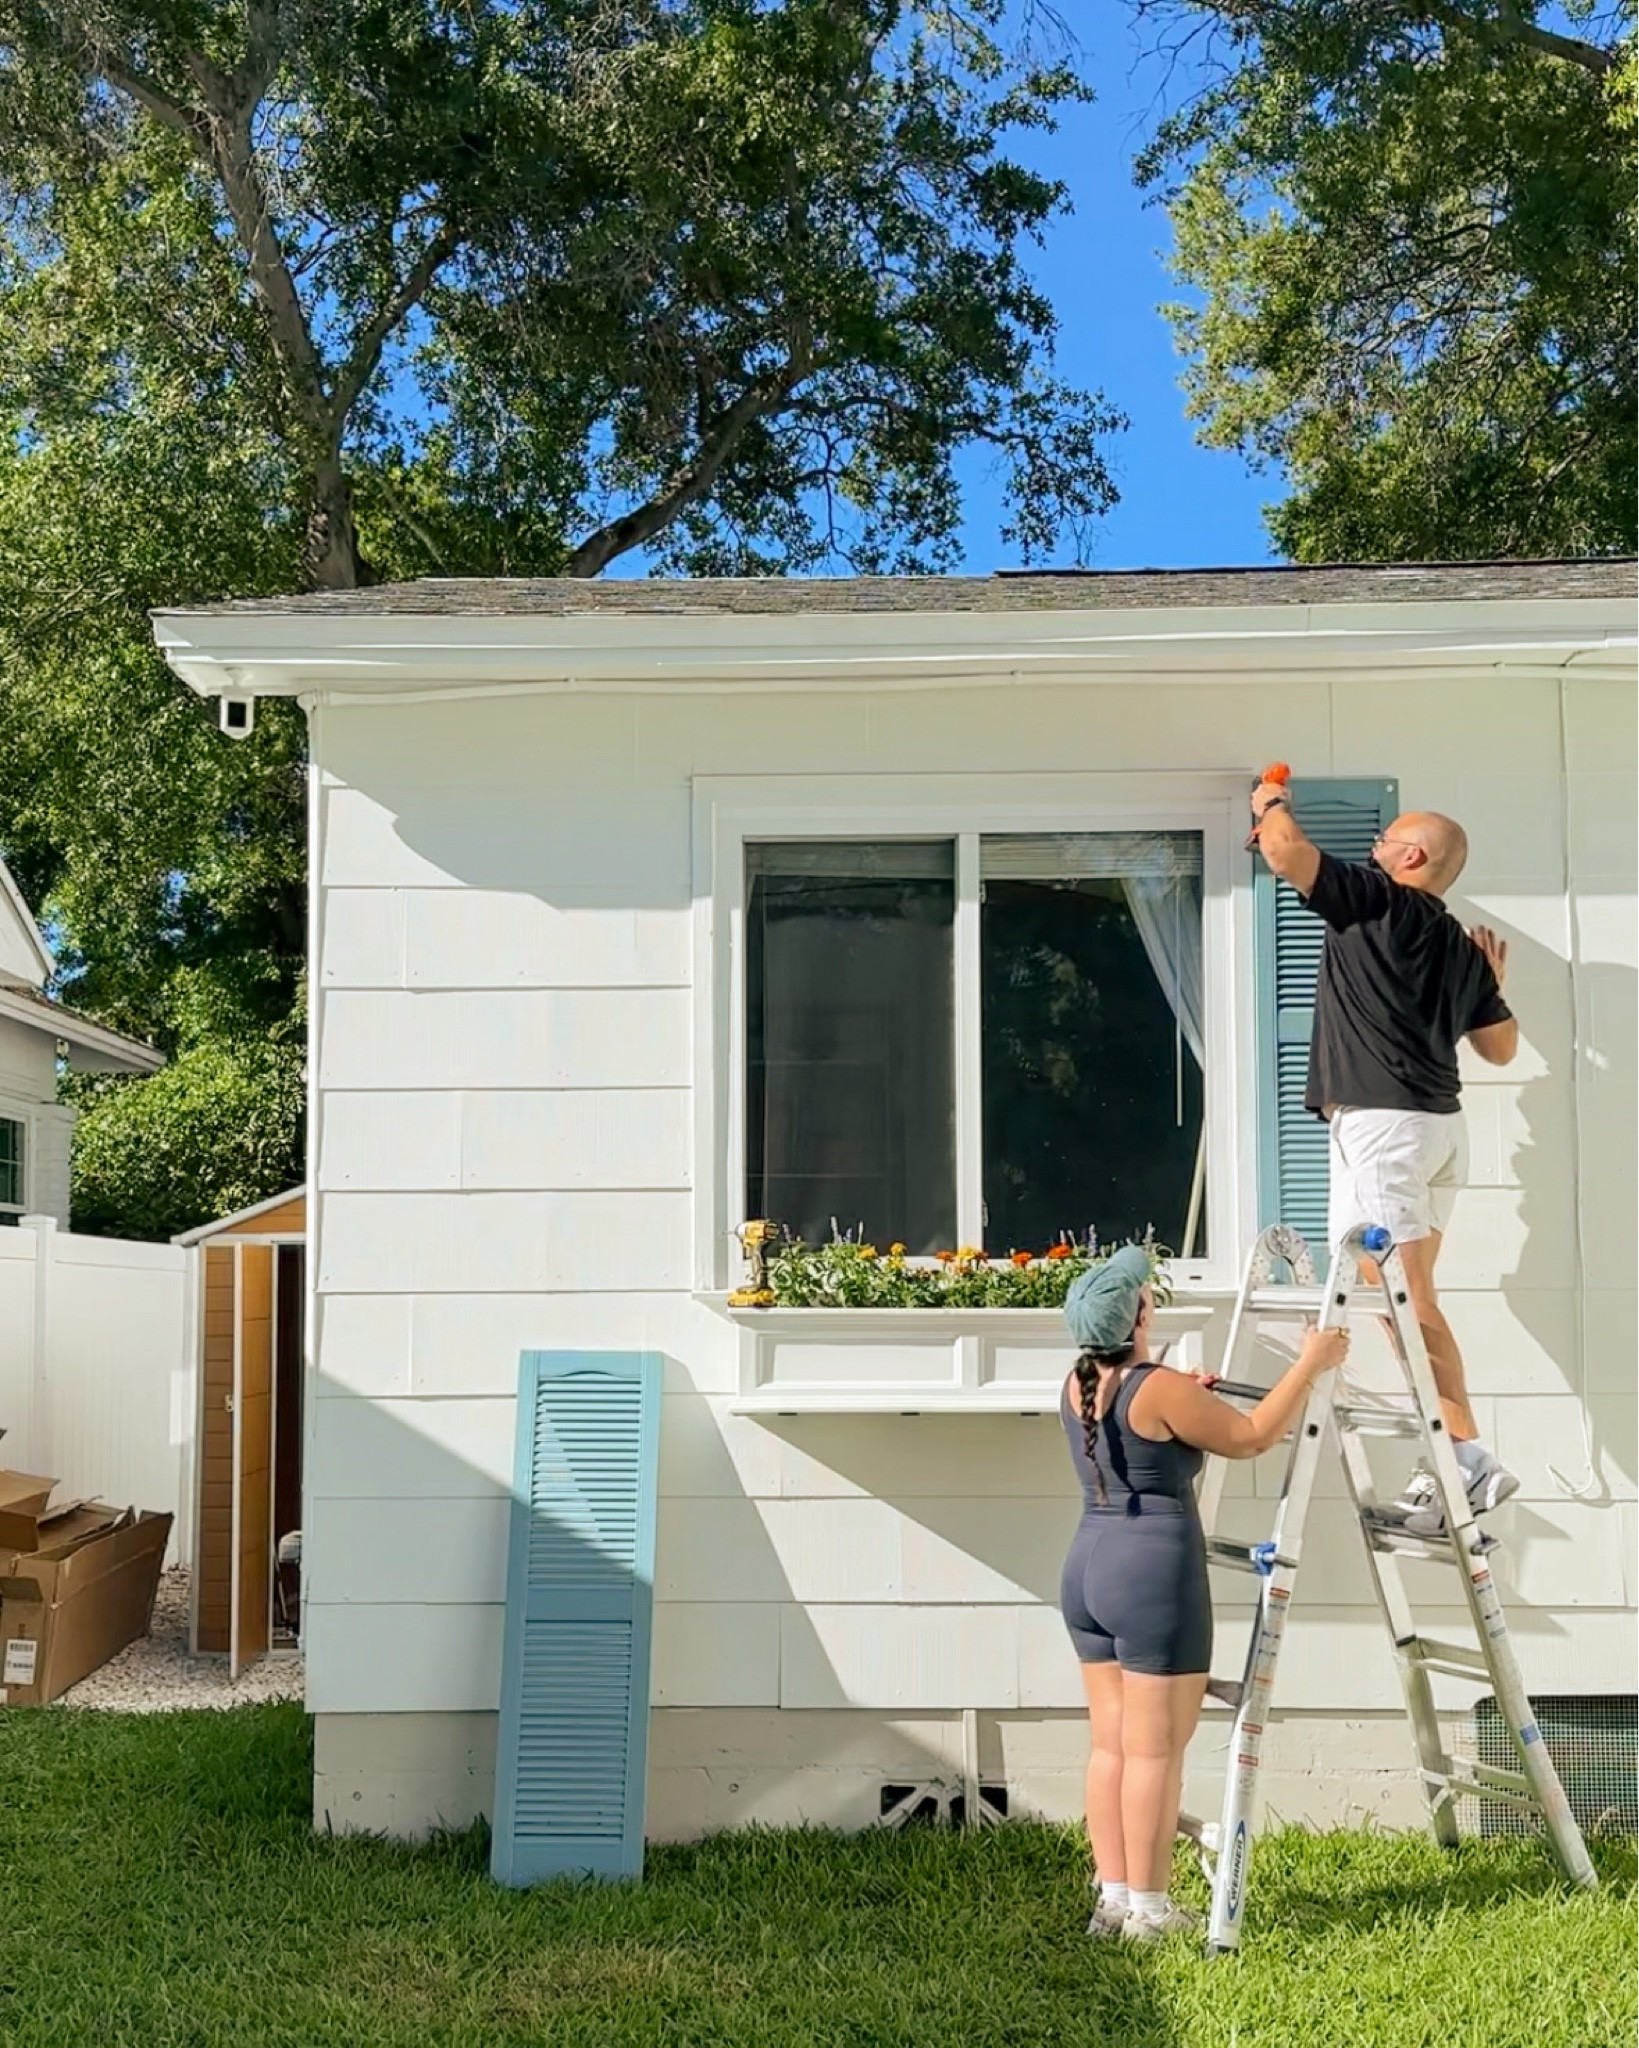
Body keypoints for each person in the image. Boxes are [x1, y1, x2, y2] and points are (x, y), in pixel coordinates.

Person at [1059, 1247, 1350, 1942]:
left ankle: (1113, 1900)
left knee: (1111, 1749)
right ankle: (1151, 1913)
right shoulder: (1156, 1387)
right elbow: (1250, 1438)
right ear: (1135, 1316)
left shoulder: (1080, 1381)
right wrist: (1309, 1363)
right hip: (1152, 1578)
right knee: (1155, 1753)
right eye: (1145, 1297)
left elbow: (1153, 1422)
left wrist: (1188, 1393)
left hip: (1088, 1568)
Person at [1250, 785, 1520, 1532]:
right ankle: (1455, 1462)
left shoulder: (1378, 901)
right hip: (1434, 1128)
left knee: (1406, 1302)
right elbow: (1499, 1047)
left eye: (1382, 844)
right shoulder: (1454, 944)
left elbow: (1282, 850)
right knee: (1409, 1298)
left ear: (1411, 857)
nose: (1368, 853)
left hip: (1386, 1131)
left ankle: (1463, 1459)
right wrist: (1487, 983)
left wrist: (1269, 797)